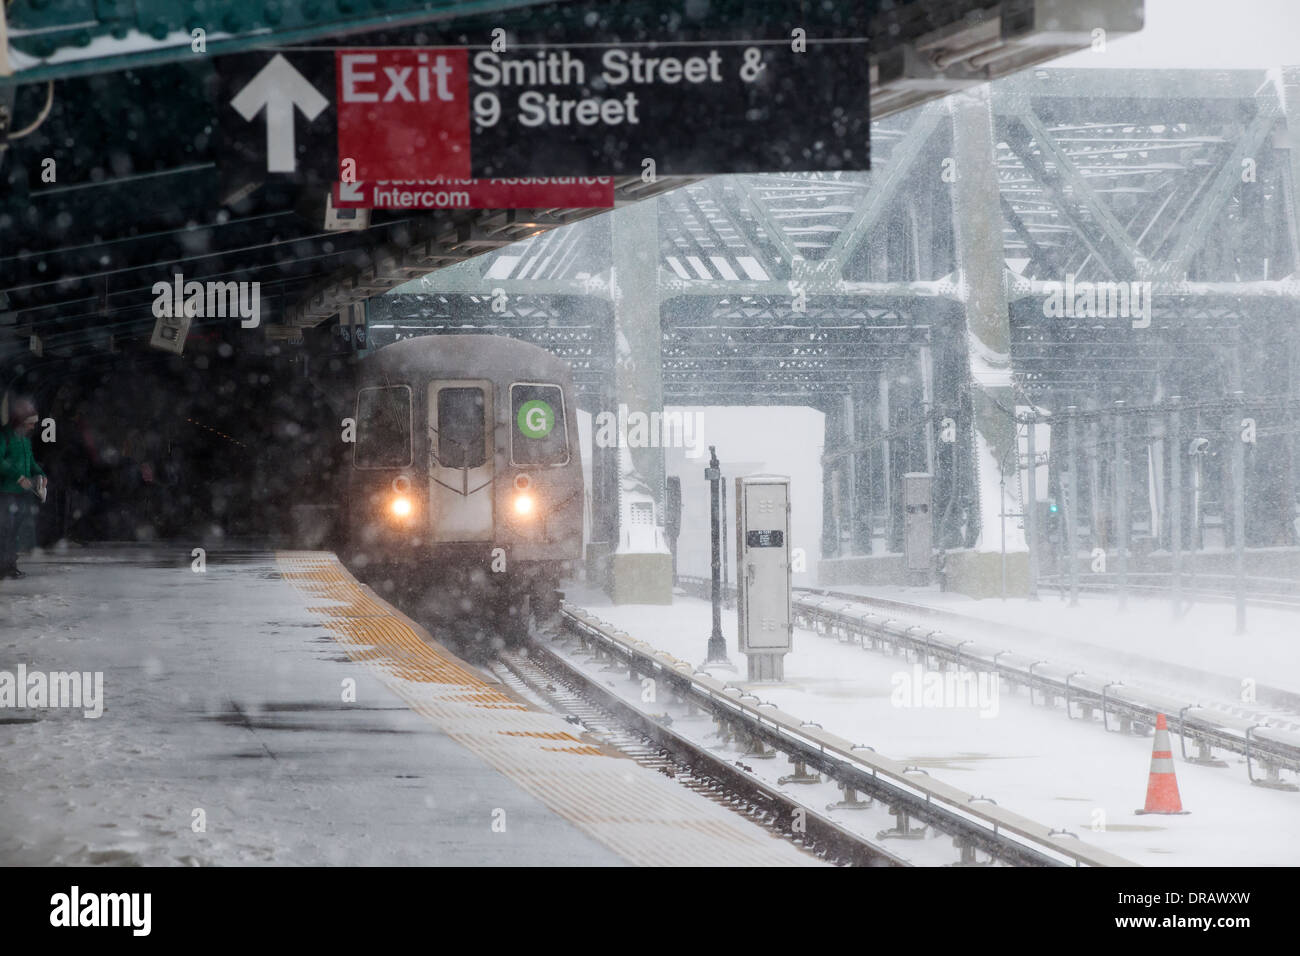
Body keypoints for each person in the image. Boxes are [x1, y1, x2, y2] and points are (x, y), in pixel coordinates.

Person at [0, 396, 47, 579]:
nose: (32, 427)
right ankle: (4, 566)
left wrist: (41, 473)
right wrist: (17, 477)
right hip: (6, 491)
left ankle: (10, 565)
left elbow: (31, 462)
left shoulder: (25, 440)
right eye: (29, 423)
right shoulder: (4, 436)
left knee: (14, 531)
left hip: (21, 492)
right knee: (5, 530)